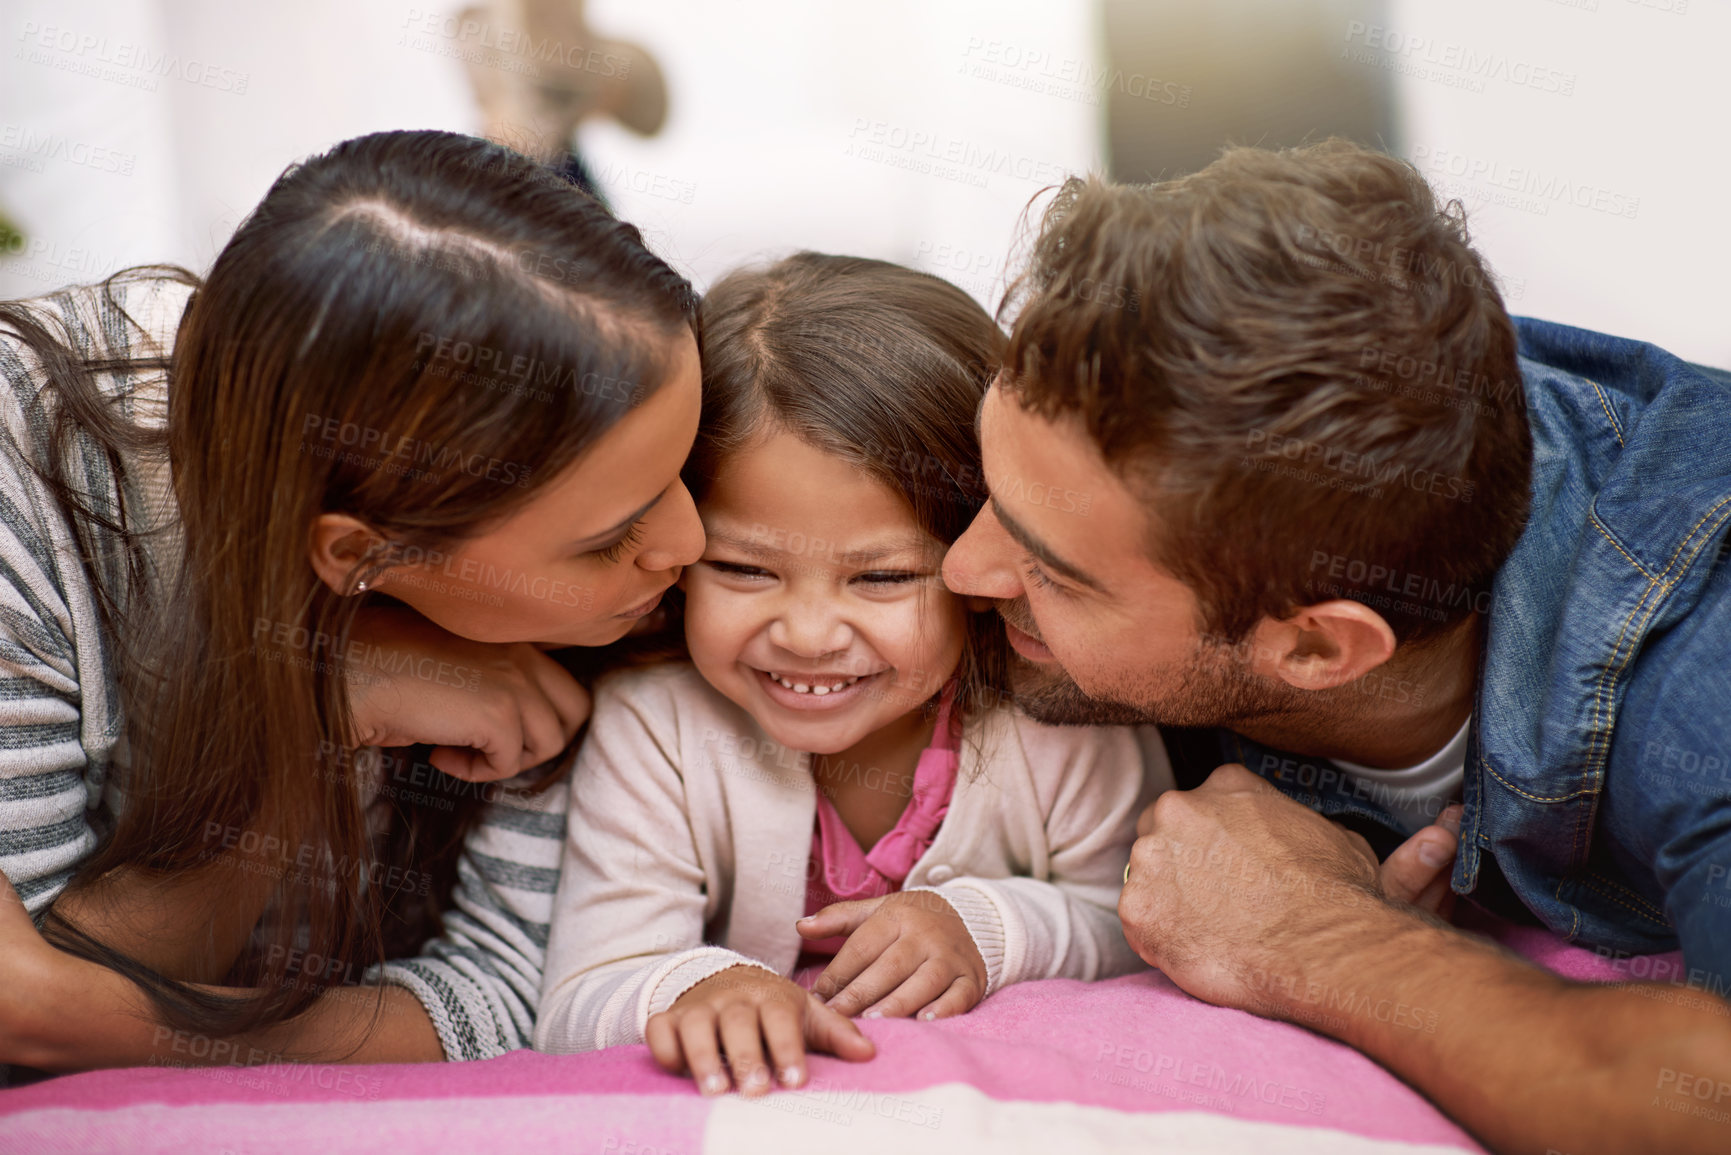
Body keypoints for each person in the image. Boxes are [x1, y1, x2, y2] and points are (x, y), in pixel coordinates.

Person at [940, 138, 1731, 1154]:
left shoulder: (1698, 673)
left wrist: (1315, 934)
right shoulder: (1223, 455)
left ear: (1316, 650)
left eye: (1052, 571)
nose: (958, 569)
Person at [0, 129, 707, 1073]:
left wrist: (79, 1017)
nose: (692, 543)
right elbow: (27, 1033)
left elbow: (507, 1002)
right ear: (358, 551)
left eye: (685, 466)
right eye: (607, 537)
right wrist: (315, 711)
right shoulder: (29, 497)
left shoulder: (601, 524)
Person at [534, 253, 1169, 1096]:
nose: (805, 634)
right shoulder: (656, 729)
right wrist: (696, 987)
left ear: (979, 561)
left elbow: (1140, 926)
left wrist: (983, 926)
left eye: (881, 577)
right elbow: (575, 999)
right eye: (743, 569)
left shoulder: (1060, 715)